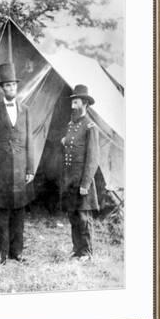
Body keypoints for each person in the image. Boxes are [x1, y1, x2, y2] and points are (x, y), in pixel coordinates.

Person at [0, 63, 34, 264]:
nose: (10, 89)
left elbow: (30, 141)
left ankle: (17, 252)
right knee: (3, 213)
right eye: (7, 85)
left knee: (19, 214)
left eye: (13, 85)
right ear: (1, 89)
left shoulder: (26, 110)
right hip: (3, 169)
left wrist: (31, 169)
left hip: (21, 169)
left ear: (17, 87)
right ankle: (2, 253)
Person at [61, 84, 100, 262]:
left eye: (75, 102)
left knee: (84, 217)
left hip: (82, 180)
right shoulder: (71, 124)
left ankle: (87, 252)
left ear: (84, 103)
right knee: (73, 215)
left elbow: (93, 158)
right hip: (70, 179)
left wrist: (86, 183)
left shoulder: (90, 126)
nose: (72, 106)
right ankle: (77, 249)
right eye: (72, 102)